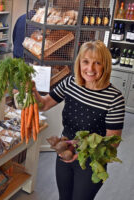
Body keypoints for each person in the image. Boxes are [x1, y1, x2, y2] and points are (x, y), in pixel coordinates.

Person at [32, 40, 125, 200]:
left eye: (97, 63)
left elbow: (113, 142)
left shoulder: (114, 98)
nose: (90, 69)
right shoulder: (71, 82)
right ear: (79, 63)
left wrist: (82, 148)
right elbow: (45, 104)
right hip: (65, 152)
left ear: (106, 66)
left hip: (91, 161)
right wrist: (33, 91)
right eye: (86, 62)